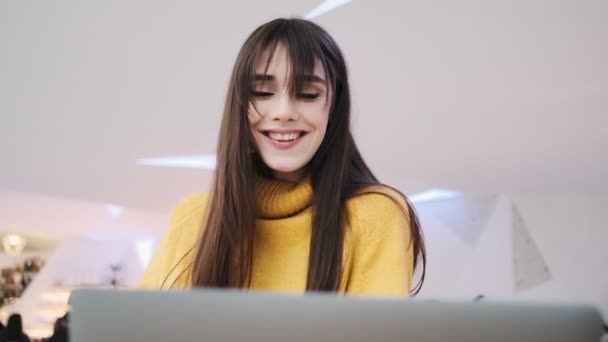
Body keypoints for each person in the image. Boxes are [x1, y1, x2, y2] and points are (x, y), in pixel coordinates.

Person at [139, 17, 426, 296]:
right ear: (239, 104)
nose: (284, 111)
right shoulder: (195, 217)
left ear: (334, 105)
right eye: (263, 92)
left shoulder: (375, 215)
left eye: (308, 94)